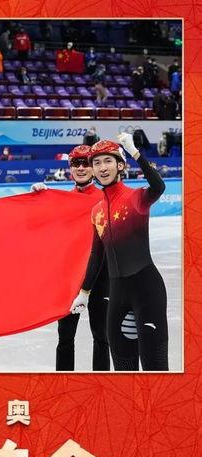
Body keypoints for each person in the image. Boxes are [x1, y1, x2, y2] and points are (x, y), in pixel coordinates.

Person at [70, 136, 168, 371]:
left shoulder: (136, 198)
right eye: (97, 163)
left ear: (120, 165)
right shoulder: (97, 211)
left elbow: (158, 187)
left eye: (108, 161)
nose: (102, 168)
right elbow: (97, 255)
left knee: (155, 369)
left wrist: (135, 152)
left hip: (147, 291)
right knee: (123, 371)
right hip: (117, 295)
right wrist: (84, 292)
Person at [30, 145, 111, 371]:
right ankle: (63, 384)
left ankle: (100, 384)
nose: (81, 168)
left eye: (86, 163)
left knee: (102, 338)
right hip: (70, 279)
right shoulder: (61, 200)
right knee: (65, 338)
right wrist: (37, 198)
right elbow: (37, 224)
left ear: (93, 168)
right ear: (70, 168)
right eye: (76, 163)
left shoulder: (106, 198)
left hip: (101, 277)